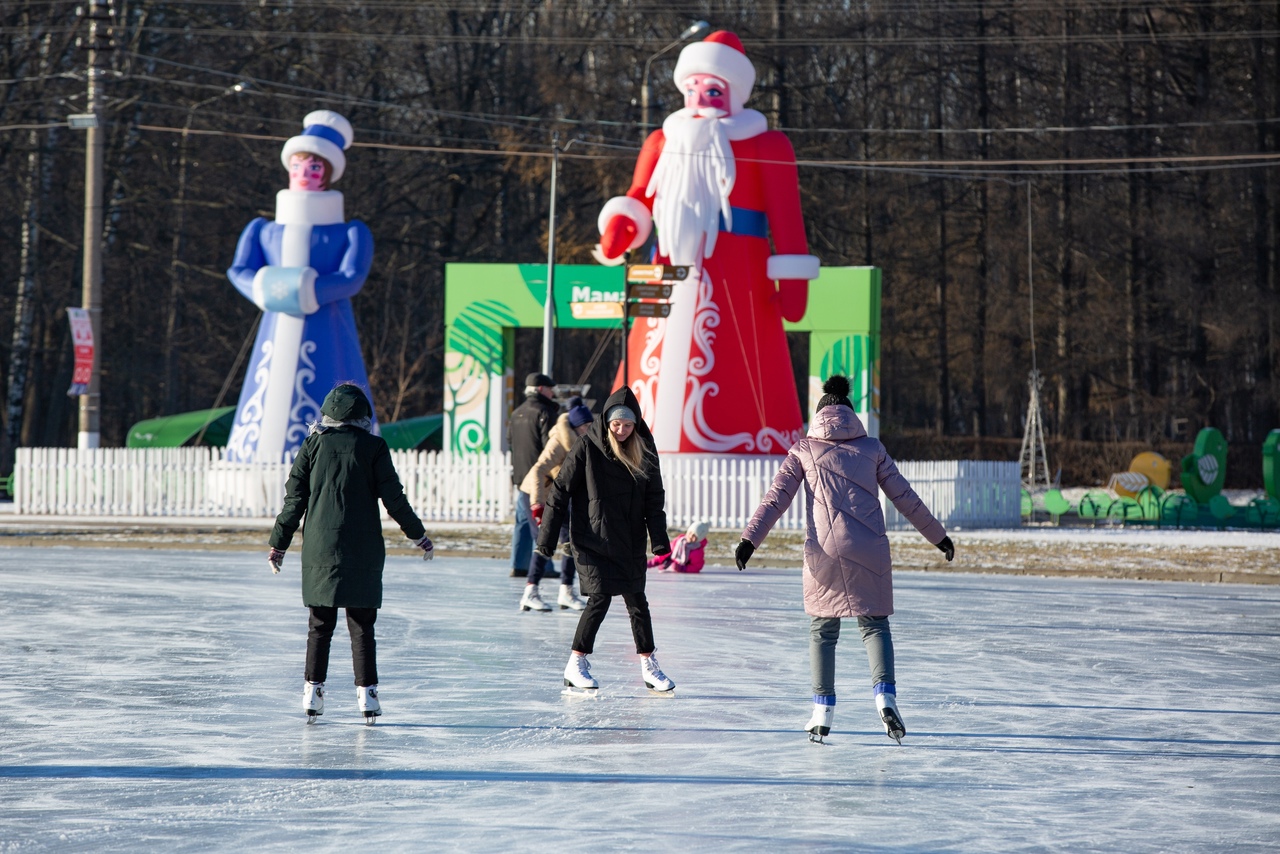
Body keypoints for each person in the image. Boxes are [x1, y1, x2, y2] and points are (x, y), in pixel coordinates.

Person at [593, 31, 819, 455]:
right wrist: (621, 225)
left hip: (738, 267)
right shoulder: (661, 142)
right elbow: (640, 196)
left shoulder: (766, 145)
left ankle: (750, 443)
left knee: (733, 365)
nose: (699, 99)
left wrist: (793, 281)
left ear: (735, 93)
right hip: (665, 260)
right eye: (691, 87)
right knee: (649, 357)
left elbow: (787, 220)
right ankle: (636, 441)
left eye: (712, 89)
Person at [735, 376, 956, 744]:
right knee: (874, 626)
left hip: (824, 550)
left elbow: (775, 499)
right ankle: (885, 697)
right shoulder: (872, 449)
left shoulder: (803, 450)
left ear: (820, 415)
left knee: (823, 631)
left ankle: (822, 711)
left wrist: (749, 540)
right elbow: (906, 497)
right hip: (870, 549)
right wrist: (939, 537)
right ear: (851, 415)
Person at [267, 383, 434, 724]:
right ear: (363, 415)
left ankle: (312, 693)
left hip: (320, 547)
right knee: (362, 626)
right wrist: (418, 535)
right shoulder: (374, 447)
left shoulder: (313, 445)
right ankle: (367, 697)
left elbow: (294, 498)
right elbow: (394, 499)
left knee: (319, 624)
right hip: (363, 548)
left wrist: (278, 542)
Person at [226, 110, 377, 463]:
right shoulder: (263, 229)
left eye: (314, 168)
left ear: (327, 174)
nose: (304, 175)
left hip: (329, 328)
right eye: (298, 167)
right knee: (265, 395)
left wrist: (309, 289)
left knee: (330, 379)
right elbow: (239, 270)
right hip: (275, 333)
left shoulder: (349, 231)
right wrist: (267, 287)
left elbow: (352, 277)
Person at [537, 387, 675, 693]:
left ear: (636, 424)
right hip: (592, 537)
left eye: (628, 425)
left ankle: (649, 665)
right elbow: (560, 490)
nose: (622, 430)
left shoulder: (645, 448)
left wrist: (660, 540)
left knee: (637, 601)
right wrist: (547, 538)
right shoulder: (588, 446)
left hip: (629, 537)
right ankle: (576, 662)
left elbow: (655, 498)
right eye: (617, 424)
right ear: (608, 422)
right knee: (599, 598)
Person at [517, 396, 593, 612]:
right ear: (577, 426)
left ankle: (566, 592)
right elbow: (539, 470)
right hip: (536, 494)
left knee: (571, 541)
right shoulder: (560, 441)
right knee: (545, 541)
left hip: (558, 497)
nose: (590, 429)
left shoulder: (583, 442)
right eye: (586, 426)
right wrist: (537, 506)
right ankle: (530, 593)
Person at [507, 372, 561, 578]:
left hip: (521, 476)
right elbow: (550, 446)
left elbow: (510, 441)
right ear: (540, 389)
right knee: (540, 522)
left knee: (522, 522)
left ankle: (518, 564)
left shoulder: (517, 413)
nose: (552, 393)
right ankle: (544, 567)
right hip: (538, 479)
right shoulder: (544, 411)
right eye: (549, 389)